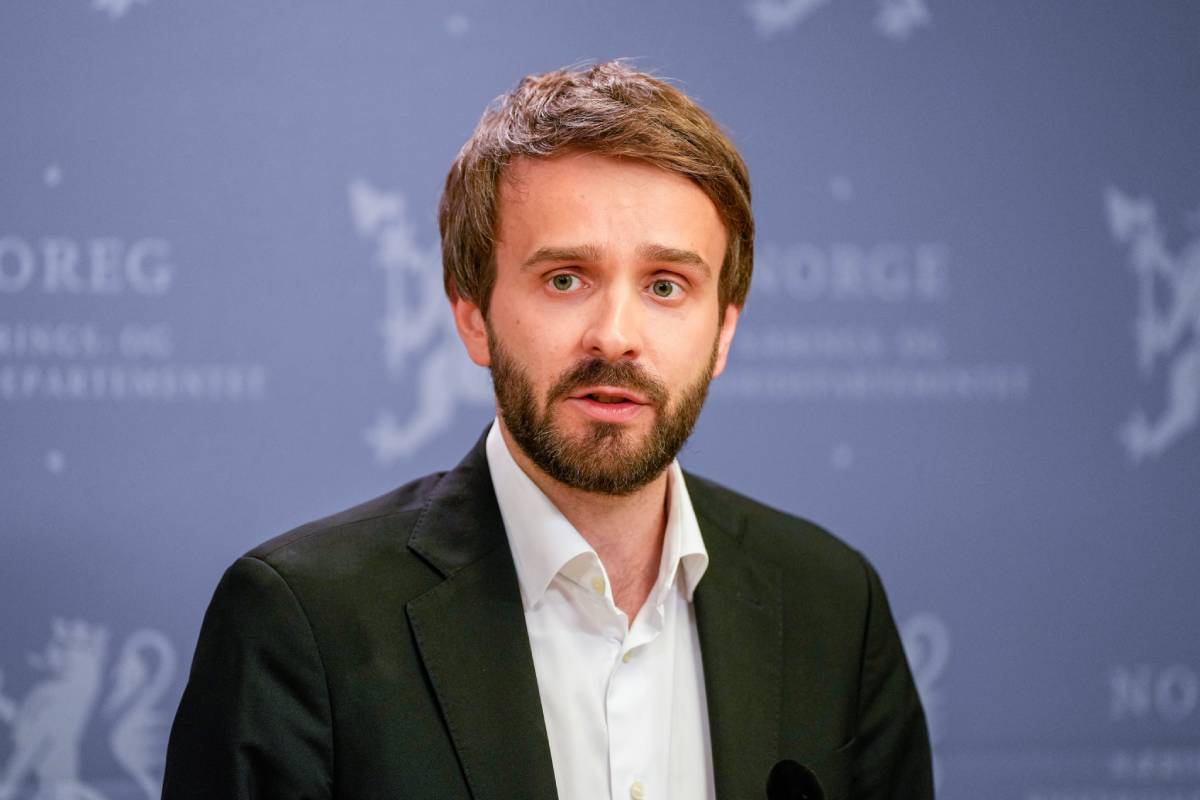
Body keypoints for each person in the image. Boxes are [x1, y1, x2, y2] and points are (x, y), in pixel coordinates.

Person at [163, 61, 933, 800]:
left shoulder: (833, 604)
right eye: (566, 279)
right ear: (473, 314)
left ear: (724, 331)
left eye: (667, 286)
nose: (616, 336)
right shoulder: (302, 622)